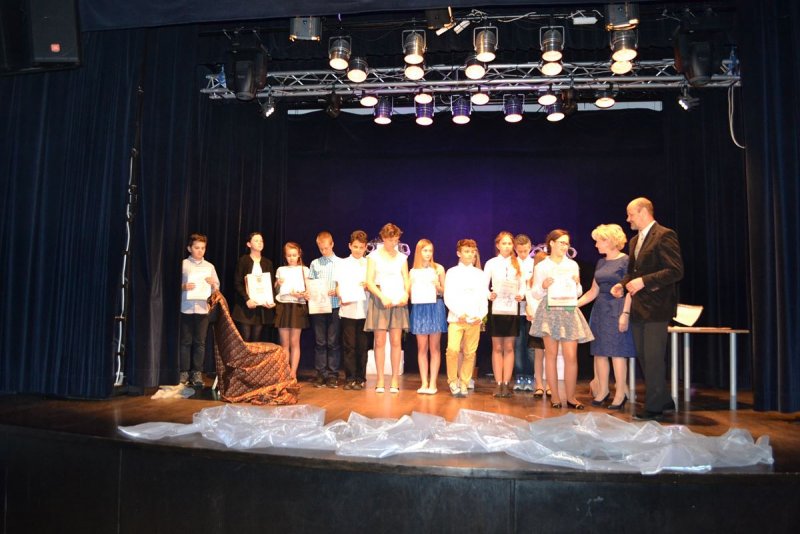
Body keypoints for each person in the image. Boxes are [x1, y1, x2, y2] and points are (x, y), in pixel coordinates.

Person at [612, 197, 684, 420]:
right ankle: (664, 399)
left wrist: (643, 282)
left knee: (653, 357)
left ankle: (654, 407)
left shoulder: (664, 235)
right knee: (644, 356)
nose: (628, 219)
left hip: (657, 307)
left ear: (643, 212)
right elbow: (633, 272)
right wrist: (622, 284)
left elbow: (675, 270)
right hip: (639, 307)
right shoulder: (635, 240)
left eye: (631, 214)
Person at [530, 229, 594, 409]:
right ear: (551, 243)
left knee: (571, 356)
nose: (565, 246)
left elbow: (578, 292)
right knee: (550, 355)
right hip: (550, 310)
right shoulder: (542, 266)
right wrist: (543, 286)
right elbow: (535, 293)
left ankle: (571, 397)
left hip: (568, 311)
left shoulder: (572, 265)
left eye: (567, 243)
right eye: (561, 243)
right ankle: (555, 397)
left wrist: (577, 283)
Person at [577, 224, 636, 410]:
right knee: (600, 352)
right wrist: (572, 304)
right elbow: (593, 291)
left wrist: (625, 314)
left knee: (617, 352)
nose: (595, 245)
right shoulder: (601, 263)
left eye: (599, 241)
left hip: (617, 309)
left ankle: (620, 393)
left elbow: (631, 290)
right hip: (600, 310)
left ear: (610, 241)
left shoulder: (626, 261)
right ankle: (603, 391)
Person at [365, 223, 410, 393]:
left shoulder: (402, 257)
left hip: (398, 300)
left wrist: (406, 294)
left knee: (396, 341)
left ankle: (395, 380)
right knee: (379, 341)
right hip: (380, 300)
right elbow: (369, 281)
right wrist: (382, 296)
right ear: (384, 238)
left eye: (396, 240)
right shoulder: (373, 256)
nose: (394, 243)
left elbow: (406, 279)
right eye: (391, 240)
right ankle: (380, 379)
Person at [444, 239, 488, 397]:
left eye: (472, 252)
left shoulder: (480, 274)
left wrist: (481, 315)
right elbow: (448, 296)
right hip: (456, 319)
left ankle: (464, 382)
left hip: (474, 319)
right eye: (466, 251)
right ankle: (452, 380)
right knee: (452, 349)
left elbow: (483, 297)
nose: (470, 254)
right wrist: (459, 313)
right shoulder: (452, 272)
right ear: (459, 253)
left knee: (470, 353)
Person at [484, 231, 525, 398]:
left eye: (509, 243)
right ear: (498, 245)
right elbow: (483, 285)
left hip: (512, 309)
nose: (507, 246)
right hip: (496, 308)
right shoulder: (491, 263)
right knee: (497, 347)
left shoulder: (518, 263)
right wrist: (489, 295)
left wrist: (520, 295)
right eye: (504, 243)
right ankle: (498, 383)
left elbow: (523, 285)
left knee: (509, 347)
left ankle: (506, 383)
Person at [179, 233, 220, 388]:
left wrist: (213, 284)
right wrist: (183, 287)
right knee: (185, 341)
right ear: (189, 248)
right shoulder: (183, 264)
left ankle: (197, 372)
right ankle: (184, 372)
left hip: (203, 309)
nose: (200, 251)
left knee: (200, 342)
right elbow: (172, 284)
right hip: (186, 307)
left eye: (203, 248)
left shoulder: (209, 266)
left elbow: (217, 288)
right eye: (197, 248)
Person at [409, 239, 447, 394]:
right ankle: (424, 382)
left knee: (435, 347)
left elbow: (445, 291)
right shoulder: (413, 271)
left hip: (435, 306)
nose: (428, 253)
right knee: (422, 347)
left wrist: (438, 286)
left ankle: (433, 383)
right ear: (418, 251)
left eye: (430, 250)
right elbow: (409, 292)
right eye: (425, 250)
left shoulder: (438, 268)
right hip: (419, 308)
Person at [336, 230, 372, 390]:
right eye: (355, 246)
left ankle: (360, 378)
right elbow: (338, 286)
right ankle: (349, 378)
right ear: (350, 246)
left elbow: (375, 285)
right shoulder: (342, 264)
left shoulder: (369, 264)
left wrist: (368, 286)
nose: (358, 250)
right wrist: (341, 296)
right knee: (349, 346)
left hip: (364, 310)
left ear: (366, 247)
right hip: (348, 309)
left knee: (362, 346)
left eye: (361, 247)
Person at [308, 231, 342, 388]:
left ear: (332, 244)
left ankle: (333, 374)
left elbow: (344, 283)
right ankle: (321, 374)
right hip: (319, 307)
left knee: (333, 342)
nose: (324, 251)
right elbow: (311, 284)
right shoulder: (315, 263)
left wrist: (337, 290)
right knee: (320, 341)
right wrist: (309, 292)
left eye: (326, 248)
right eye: (321, 249)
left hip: (335, 306)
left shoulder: (341, 263)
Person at [274, 242, 310, 380]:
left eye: (294, 255)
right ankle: (285, 372)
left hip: (297, 306)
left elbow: (308, 291)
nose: (292, 258)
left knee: (295, 342)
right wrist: (277, 284)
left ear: (299, 254)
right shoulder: (281, 270)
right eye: (289, 255)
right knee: (284, 343)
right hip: (283, 306)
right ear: (285, 256)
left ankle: (293, 373)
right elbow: (276, 289)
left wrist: (303, 295)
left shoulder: (305, 270)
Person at [232, 232, 276, 342]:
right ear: (249, 244)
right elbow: (237, 283)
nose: (260, 243)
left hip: (261, 308)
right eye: (256, 241)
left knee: (257, 340)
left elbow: (270, 284)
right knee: (245, 339)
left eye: (261, 241)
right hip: (245, 306)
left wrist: (271, 300)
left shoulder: (268, 263)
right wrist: (247, 299)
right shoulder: (243, 260)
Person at [512, 234, 535, 392]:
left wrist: (526, 296)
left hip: (532, 310)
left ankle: (530, 376)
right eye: (519, 251)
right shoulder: (511, 264)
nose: (523, 254)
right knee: (518, 345)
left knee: (531, 347)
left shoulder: (535, 264)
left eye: (525, 250)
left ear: (530, 247)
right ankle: (519, 376)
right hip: (515, 311)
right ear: (515, 249)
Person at [525, 250, 549, 397]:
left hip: (551, 320)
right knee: (539, 354)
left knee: (551, 355)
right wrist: (530, 311)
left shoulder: (553, 279)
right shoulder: (530, 281)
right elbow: (530, 299)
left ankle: (550, 385)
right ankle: (539, 384)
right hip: (537, 320)